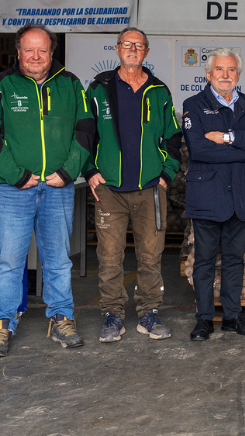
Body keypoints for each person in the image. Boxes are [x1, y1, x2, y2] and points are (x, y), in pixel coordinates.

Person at [0, 24, 94, 357]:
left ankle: (62, 317)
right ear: (18, 52)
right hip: (11, 191)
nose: (36, 57)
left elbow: (85, 130)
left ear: (52, 53)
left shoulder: (70, 84)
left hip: (58, 188)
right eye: (29, 50)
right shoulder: (0, 85)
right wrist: (16, 175)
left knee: (58, 261)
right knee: (9, 262)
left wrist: (68, 171)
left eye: (42, 50)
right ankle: (1, 324)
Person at [84, 27, 182, 343]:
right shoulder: (99, 89)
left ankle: (149, 313)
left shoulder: (159, 91)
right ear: (117, 49)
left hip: (150, 189)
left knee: (151, 256)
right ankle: (113, 314)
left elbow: (174, 137)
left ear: (146, 52)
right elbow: (83, 134)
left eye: (139, 45)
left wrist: (166, 174)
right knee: (109, 257)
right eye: (127, 44)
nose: (133, 49)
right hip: (110, 190)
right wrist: (89, 170)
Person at [182, 48, 245, 341]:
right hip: (207, 195)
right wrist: (242, 152)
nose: (225, 75)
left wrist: (227, 138)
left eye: (231, 70)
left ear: (238, 74)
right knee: (205, 260)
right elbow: (198, 149)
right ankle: (204, 320)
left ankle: (233, 317)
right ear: (209, 74)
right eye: (219, 70)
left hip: (241, 195)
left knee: (235, 259)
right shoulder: (194, 105)